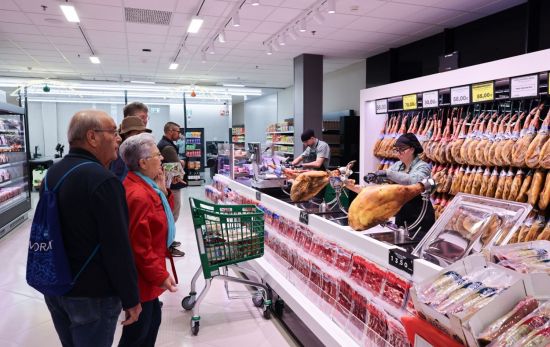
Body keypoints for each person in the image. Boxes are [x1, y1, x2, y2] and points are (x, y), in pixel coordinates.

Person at [42, 110, 141, 347]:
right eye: (113, 132)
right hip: (92, 294)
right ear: (92, 137)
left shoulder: (53, 172)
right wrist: (131, 298)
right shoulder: (104, 181)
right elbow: (117, 246)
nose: (118, 138)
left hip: (57, 287)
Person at [118, 133, 178, 347]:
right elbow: (138, 246)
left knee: (152, 321)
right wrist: (160, 275)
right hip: (141, 277)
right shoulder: (138, 195)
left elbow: (162, 219)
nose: (161, 158)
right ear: (143, 163)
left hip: (147, 275)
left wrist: (163, 191)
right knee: (139, 331)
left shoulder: (147, 187)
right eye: (157, 155)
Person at [362, 133, 435, 241]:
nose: (398, 152)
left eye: (402, 149)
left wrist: (387, 173)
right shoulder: (397, 165)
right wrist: (376, 177)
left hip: (420, 214)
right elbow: (389, 180)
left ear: (412, 149)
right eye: (396, 149)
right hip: (402, 211)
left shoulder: (423, 166)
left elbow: (413, 181)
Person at [157, 122, 187, 223]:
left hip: (166, 184)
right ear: (171, 131)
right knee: (173, 213)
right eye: (178, 131)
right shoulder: (168, 147)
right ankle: (169, 237)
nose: (180, 134)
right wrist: (182, 162)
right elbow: (177, 167)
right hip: (172, 185)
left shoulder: (163, 143)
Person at [110, 116, 151, 180]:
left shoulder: (135, 152)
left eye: (143, 133)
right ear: (126, 135)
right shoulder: (121, 155)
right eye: (138, 133)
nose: (141, 137)